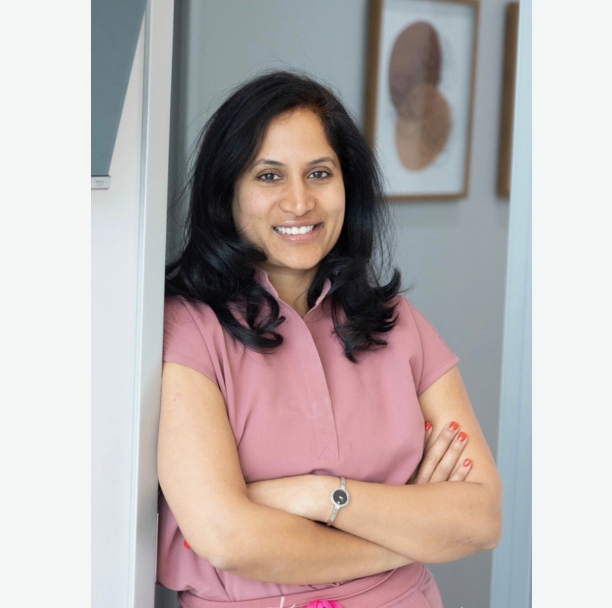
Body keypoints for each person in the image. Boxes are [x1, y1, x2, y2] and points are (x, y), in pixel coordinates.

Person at [157, 70, 502, 608]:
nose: (299, 202)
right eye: (268, 177)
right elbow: (226, 537)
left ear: (348, 185)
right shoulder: (186, 330)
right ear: (227, 192)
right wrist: (407, 531)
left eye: (319, 173)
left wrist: (320, 497)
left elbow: (480, 519)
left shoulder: (399, 322)